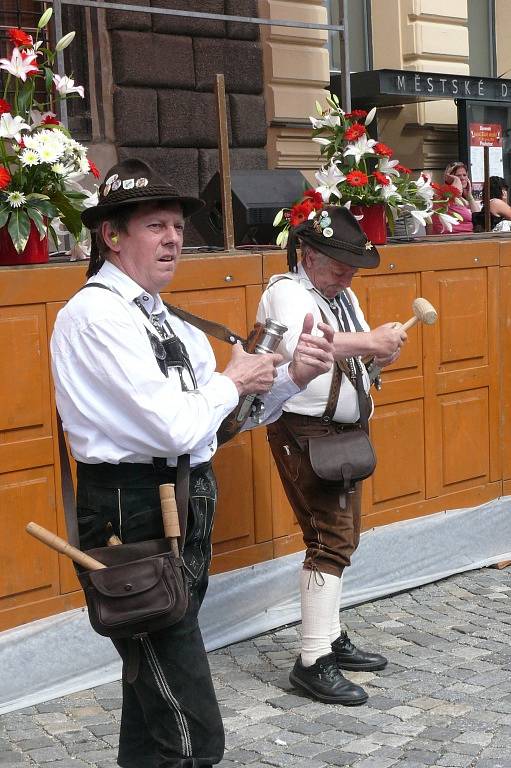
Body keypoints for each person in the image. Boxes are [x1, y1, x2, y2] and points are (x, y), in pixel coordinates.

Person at [50, 158, 335, 768]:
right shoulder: (95, 316)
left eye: (177, 225)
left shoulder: (160, 315)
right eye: (156, 225)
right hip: (132, 515)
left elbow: (217, 423)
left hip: (179, 504)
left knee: (149, 688)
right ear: (112, 235)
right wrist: (235, 378)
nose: (174, 238)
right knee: (190, 726)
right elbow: (177, 423)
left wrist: (287, 379)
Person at [257, 206, 407, 706]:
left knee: (339, 537)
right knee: (330, 539)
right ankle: (313, 659)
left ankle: (330, 636)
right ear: (308, 255)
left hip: (336, 431)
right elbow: (309, 342)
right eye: (339, 266)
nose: (348, 275)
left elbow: (354, 349)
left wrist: (380, 352)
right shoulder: (286, 292)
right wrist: (369, 340)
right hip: (303, 430)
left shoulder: (340, 295)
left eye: (352, 267)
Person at [431, 161, 480, 235]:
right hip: (453, 240)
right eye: (458, 175)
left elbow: (478, 218)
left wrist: (469, 196)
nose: (462, 178)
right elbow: (455, 191)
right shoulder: (444, 196)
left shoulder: (462, 199)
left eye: (464, 175)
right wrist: (455, 180)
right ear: (449, 177)